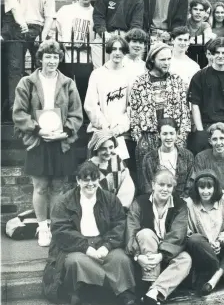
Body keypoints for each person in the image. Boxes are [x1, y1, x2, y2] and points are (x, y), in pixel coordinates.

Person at [13, 40, 83, 247]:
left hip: (61, 142)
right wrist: (38, 130)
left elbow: (76, 114)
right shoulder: (27, 82)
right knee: (41, 186)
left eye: (56, 56)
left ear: (60, 58)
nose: (52, 60)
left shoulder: (68, 83)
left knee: (59, 187)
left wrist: (64, 133)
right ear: (40, 58)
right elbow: (19, 114)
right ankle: (42, 227)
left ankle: (55, 228)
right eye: (48, 56)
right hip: (38, 140)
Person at [43, 162, 136, 305]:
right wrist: (85, 247)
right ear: (79, 181)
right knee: (75, 262)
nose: (90, 183)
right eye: (86, 179)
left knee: (121, 259)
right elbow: (61, 230)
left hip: (104, 241)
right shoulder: (63, 201)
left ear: (98, 180)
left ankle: (124, 294)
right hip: (76, 246)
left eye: (94, 179)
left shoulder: (110, 199)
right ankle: (79, 292)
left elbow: (120, 223)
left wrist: (107, 245)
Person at [126, 169, 192, 305]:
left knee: (186, 259)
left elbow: (178, 235)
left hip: (168, 254)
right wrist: (138, 256)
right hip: (145, 255)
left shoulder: (180, 205)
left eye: (169, 186)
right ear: (153, 184)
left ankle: (153, 292)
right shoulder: (139, 202)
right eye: (161, 184)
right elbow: (131, 231)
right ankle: (150, 285)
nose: (165, 189)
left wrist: (161, 256)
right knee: (145, 234)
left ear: (173, 188)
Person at [129, 42, 191, 174]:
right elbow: (134, 113)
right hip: (148, 137)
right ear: (152, 59)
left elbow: (185, 111)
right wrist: (139, 138)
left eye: (169, 59)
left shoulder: (177, 81)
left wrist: (182, 136)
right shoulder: (139, 83)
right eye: (162, 59)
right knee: (148, 178)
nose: (167, 63)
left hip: (172, 137)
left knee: (173, 176)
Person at [184, 170, 224, 295]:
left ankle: (216, 276)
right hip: (203, 250)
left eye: (209, 187)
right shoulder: (189, 203)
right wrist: (208, 244)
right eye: (201, 187)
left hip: (223, 246)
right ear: (196, 188)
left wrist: (219, 241)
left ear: (215, 187)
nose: (205, 191)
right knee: (195, 239)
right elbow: (189, 233)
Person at [187, 37, 224, 153]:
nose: (220, 56)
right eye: (217, 52)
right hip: (206, 126)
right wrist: (200, 131)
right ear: (211, 54)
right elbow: (195, 105)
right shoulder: (199, 76)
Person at [84, 36, 135, 172]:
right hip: (101, 132)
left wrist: (119, 128)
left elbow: (132, 106)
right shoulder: (97, 74)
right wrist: (105, 127)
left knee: (121, 172)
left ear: (125, 52)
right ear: (108, 51)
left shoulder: (130, 75)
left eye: (120, 49)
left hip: (122, 134)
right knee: (99, 172)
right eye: (113, 49)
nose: (117, 53)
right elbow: (91, 105)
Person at [140, 118, 194, 197]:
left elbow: (190, 182)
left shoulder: (187, 156)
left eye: (171, 133)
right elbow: (147, 185)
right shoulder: (149, 158)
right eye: (165, 134)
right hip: (157, 200)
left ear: (177, 133)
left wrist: (183, 199)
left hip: (181, 200)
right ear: (159, 134)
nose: (168, 137)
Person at [55, 0, 98, 67]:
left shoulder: (96, 14)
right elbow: (55, 30)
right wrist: (61, 44)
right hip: (66, 58)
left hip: (86, 59)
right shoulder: (65, 10)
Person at [87, 131, 135, 208]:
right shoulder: (89, 167)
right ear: (96, 149)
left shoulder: (117, 160)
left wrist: (119, 206)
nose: (108, 152)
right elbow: (92, 194)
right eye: (103, 149)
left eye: (111, 147)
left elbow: (127, 186)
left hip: (119, 206)